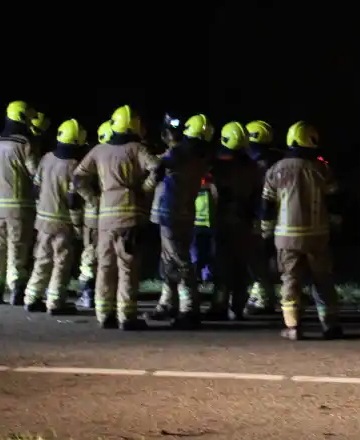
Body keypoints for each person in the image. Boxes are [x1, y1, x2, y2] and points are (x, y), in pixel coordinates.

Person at [72, 105, 159, 330]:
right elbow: (157, 169)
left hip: (104, 220)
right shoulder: (137, 149)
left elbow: (78, 177)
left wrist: (93, 199)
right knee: (128, 267)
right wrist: (144, 189)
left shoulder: (99, 150)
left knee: (105, 266)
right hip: (130, 218)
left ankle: (104, 314)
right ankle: (126, 316)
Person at [261, 121, 343, 340]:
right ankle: (330, 325)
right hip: (318, 236)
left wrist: (266, 232)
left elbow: (266, 206)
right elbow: (335, 201)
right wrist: (335, 226)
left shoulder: (275, 170)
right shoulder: (322, 168)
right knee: (323, 280)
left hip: (286, 238)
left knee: (290, 280)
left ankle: (293, 327)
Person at [148, 113, 213, 329]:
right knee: (171, 260)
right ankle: (167, 303)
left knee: (179, 262)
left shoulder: (179, 153)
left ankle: (189, 310)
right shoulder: (200, 156)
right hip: (185, 213)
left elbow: (157, 166)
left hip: (169, 213)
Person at [0, 101, 40, 306]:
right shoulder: (25, 144)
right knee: (18, 247)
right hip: (20, 206)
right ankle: (17, 289)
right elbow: (36, 174)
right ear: (22, 118)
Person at [24, 119, 87, 315]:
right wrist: (78, 228)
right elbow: (72, 201)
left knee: (42, 259)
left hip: (43, 221)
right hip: (63, 223)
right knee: (61, 263)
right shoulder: (75, 166)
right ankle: (55, 302)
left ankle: (32, 297)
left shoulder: (46, 159)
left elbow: (36, 188)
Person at [208, 122, 261, 320]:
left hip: (224, 220)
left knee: (222, 266)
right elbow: (258, 195)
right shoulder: (252, 166)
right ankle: (237, 307)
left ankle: (219, 306)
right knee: (241, 266)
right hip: (245, 221)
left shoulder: (218, 165)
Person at [245, 120, 284, 314]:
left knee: (258, 258)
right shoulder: (278, 159)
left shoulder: (255, 163)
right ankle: (263, 293)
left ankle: (263, 297)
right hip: (280, 216)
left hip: (261, 216)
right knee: (271, 257)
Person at [75, 120, 111, 310]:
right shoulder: (116, 156)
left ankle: (88, 293)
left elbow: (78, 181)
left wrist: (91, 200)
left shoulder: (94, 155)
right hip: (111, 212)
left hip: (92, 214)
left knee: (90, 253)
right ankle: (103, 292)